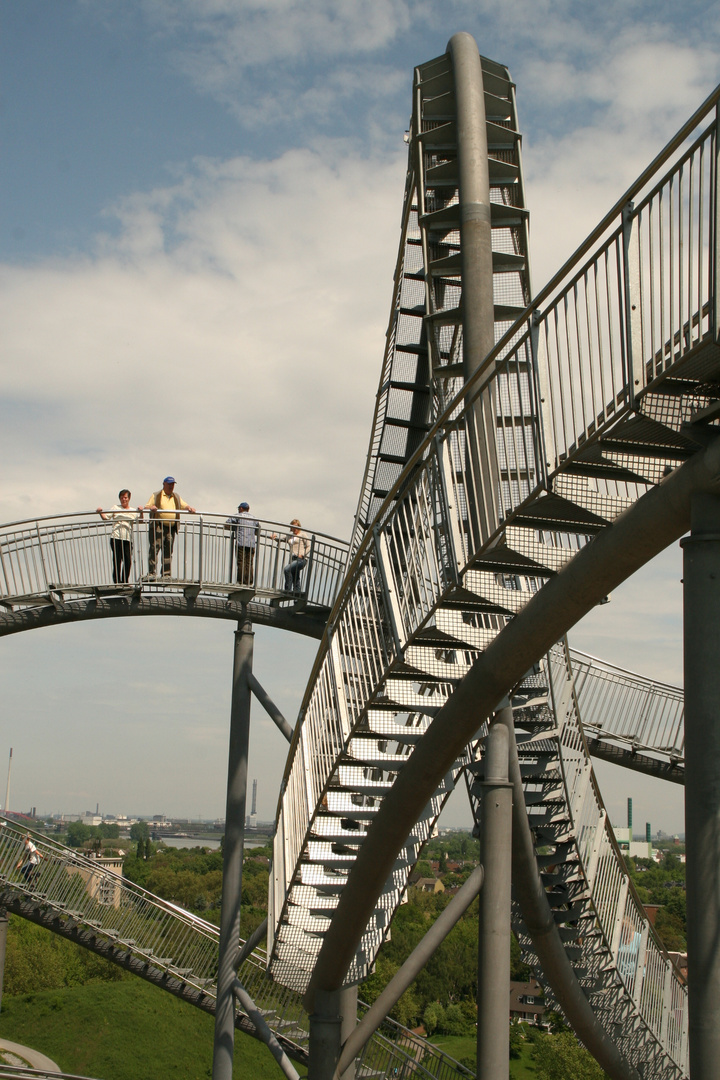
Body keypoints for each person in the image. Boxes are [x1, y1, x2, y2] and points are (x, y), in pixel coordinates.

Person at [144, 477, 196, 579]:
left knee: (168, 551)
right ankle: (152, 573)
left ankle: (166, 574)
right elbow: (147, 506)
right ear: (164, 484)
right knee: (155, 548)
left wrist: (189, 508)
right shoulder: (156, 495)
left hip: (171, 528)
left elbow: (183, 505)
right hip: (158, 526)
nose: (171, 486)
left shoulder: (175, 496)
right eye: (169, 484)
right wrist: (152, 508)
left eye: (172, 484)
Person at [96, 490, 143, 583]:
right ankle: (117, 581)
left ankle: (125, 581)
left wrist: (141, 512)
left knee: (128, 560)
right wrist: (100, 512)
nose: (123, 499)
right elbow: (106, 518)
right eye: (121, 498)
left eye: (125, 497)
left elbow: (140, 521)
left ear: (129, 498)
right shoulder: (115, 507)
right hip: (116, 537)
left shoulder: (133, 511)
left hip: (127, 538)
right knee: (117, 559)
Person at [224, 501, 259, 585]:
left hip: (241, 542)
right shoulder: (254, 518)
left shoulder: (238, 516)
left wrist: (235, 528)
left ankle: (241, 581)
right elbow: (258, 529)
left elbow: (227, 524)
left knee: (241, 562)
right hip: (251, 544)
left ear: (241, 508)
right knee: (249, 563)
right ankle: (249, 581)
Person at [274, 519, 310, 594]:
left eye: (296, 527)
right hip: (293, 559)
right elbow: (279, 539)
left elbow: (309, 546)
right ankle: (297, 597)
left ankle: (287, 590)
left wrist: (303, 554)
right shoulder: (289, 536)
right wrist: (274, 536)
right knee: (296, 578)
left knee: (287, 569)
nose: (295, 529)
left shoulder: (303, 535)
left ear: (299, 527)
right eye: (293, 527)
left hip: (301, 559)